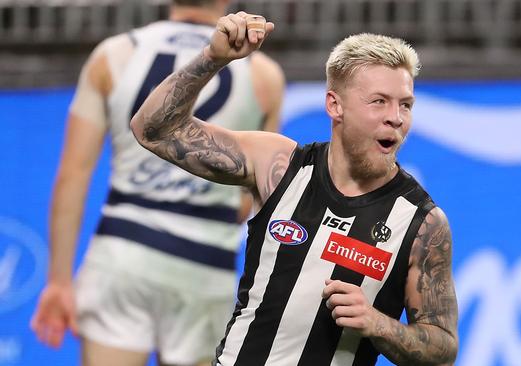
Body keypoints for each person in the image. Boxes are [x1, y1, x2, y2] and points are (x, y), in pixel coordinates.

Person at [131, 11, 458, 366]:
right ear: (335, 105)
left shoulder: (421, 222)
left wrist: (378, 324)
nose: (396, 116)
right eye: (379, 101)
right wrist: (214, 58)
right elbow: (153, 130)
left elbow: (442, 348)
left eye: (405, 104)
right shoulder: (280, 166)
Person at [30, 1, 285, 365]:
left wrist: (58, 281)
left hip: (121, 256)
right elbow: (253, 197)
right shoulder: (264, 75)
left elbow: (73, 174)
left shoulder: (113, 54)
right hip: (204, 265)